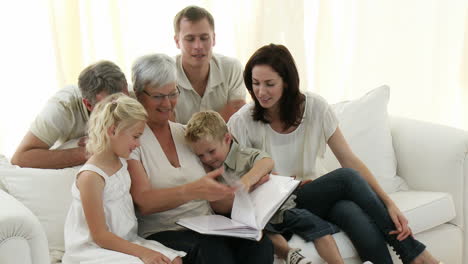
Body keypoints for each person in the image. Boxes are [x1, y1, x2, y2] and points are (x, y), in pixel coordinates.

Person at [227, 44, 443, 264]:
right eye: (255, 84)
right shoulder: (242, 122)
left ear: (287, 82)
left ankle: (409, 255)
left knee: (349, 210)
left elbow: (349, 159)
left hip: (315, 195)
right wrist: (278, 183)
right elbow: (241, 182)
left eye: (269, 84)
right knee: (346, 178)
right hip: (280, 208)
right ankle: (414, 253)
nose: (261, 92)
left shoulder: (315, 108)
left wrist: (389, 202)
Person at [127, 53, 274, 264]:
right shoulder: (134, 141)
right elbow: (144, 203)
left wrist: (242, 191)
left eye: (173, 93)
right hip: (164, 231)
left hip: (208, 224)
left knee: (260, 244)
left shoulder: (187, 134)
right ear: (140, 95)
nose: (167, 104)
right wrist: (192, 190)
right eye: (158, 96)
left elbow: (215, 201)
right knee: (213, 252)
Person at [185, 110, 355, 264]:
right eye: (201, 155)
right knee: (260, 233)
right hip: (255, 220)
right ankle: (291, 255)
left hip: (281, 208)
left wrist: (247, 181)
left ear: (227, 139)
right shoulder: (210, 174)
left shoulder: (245, 155)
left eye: (211, 151)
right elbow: (218, 204)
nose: (207, 158)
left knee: (318, 228)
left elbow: (266, 162)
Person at [63, 93, 185, 264]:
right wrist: (144, 253)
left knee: (174, 260)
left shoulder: (122, 161)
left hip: (125, 241)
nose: (138, 144)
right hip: (93, 249)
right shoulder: (91, 177)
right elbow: (100, 236)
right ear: (113, 131)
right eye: (135, 136)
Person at [11, 61, 129, 169]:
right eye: (109, 107)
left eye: (125, 101)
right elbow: (20, 158)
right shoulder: (62, 107)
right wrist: (93, 150)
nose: (120, 112)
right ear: (88, 104)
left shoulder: (134, 95)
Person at [173, 5, 246, 124]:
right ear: (177, 42)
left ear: (214, 38)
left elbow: (237, 116)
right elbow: (164, 127)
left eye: (204, 38)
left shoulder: (232, 68)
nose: (198, 46)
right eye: (190, 39)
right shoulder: (165, 74)